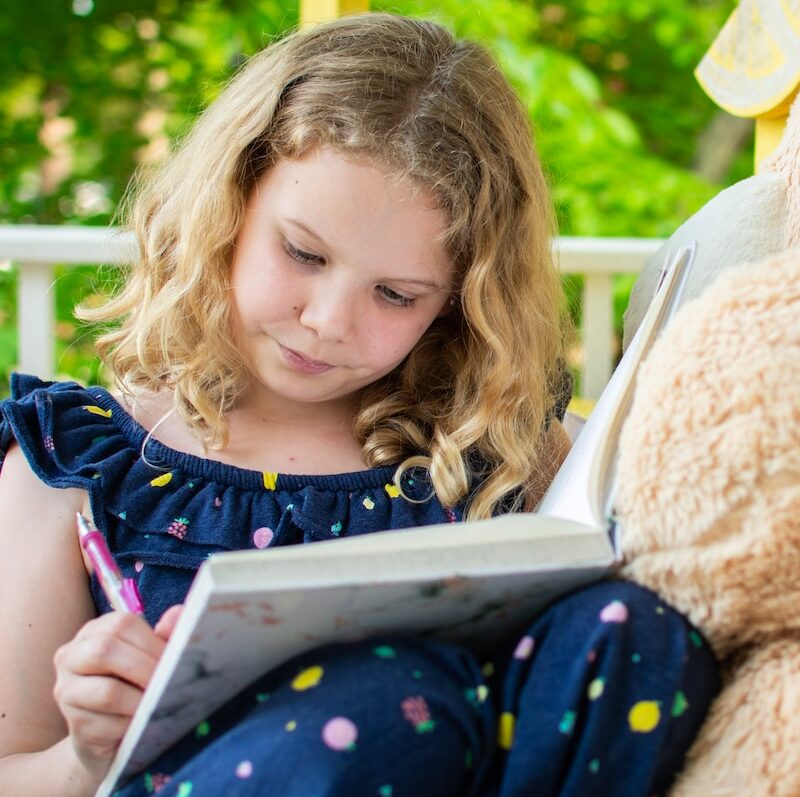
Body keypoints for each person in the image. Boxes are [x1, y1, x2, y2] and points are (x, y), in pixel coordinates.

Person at [0, 13, 718, 797]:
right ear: (229, 205)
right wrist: (86, 757)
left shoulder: (498, 448)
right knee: (391, 695)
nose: (330, 321)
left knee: (632, 630)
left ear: (453, 303)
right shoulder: (78, 461)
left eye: (396, 294)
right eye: (303, 253)